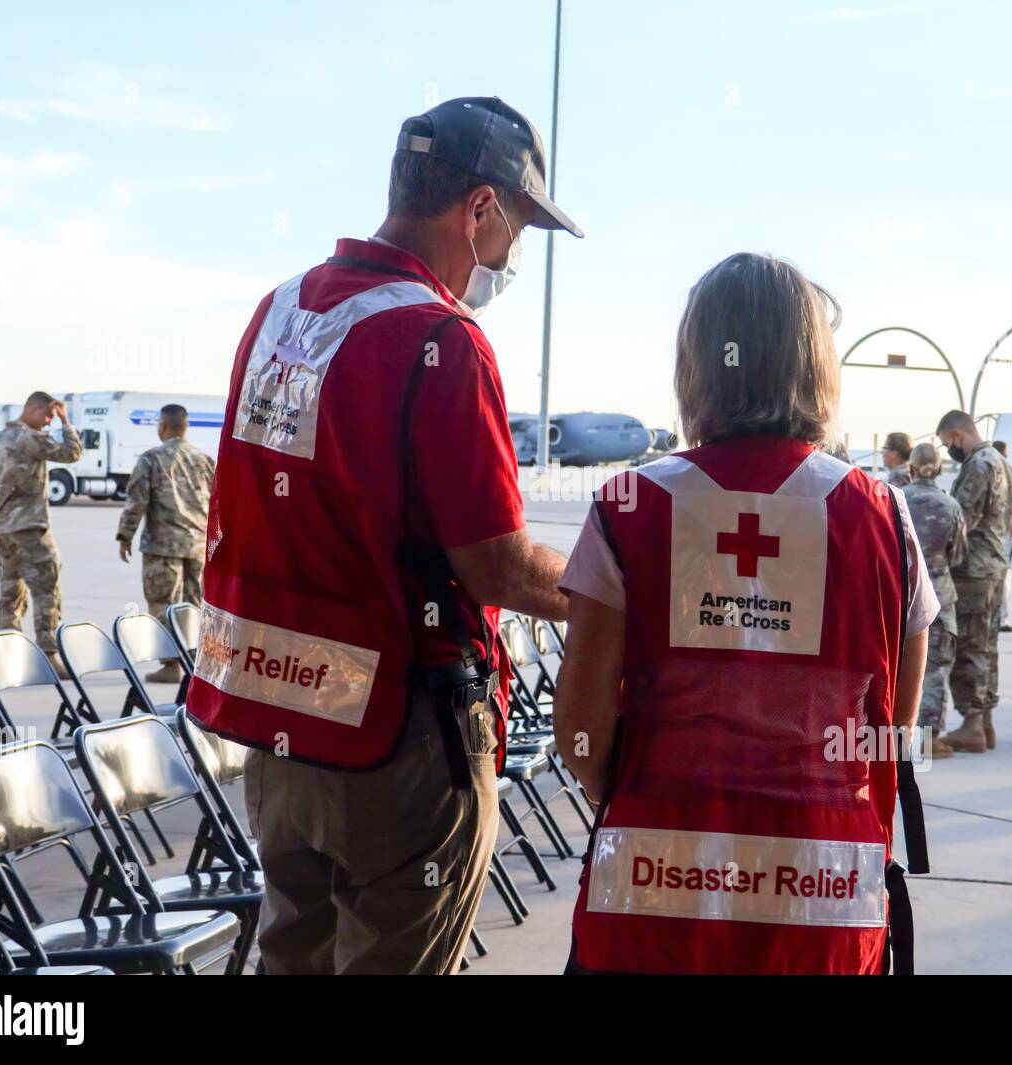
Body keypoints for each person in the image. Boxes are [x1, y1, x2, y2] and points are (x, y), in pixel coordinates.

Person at [185, 97, 579, 975]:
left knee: (293, 957)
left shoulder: (279, 312)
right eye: (517, 228)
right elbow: (498, 566)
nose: (514, 256)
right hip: (396, 737)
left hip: (282, 728)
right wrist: (607, 586)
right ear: (478, 209)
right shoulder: (440, 338)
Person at [554, 253, 936, 975]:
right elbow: (888, 731)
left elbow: (581, 734)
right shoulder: (885, 518)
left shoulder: (627, 508)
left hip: (653, 891)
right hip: (821, 901)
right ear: (816, 364)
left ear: (697, 362)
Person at [115, 404, 216, 684]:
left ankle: (171, 663)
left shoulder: (151, 459)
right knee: (195, 604)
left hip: (163, 546)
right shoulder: (205, 460)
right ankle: (197, 663)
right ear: (185, 427)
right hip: (197, 546)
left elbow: (136, 502)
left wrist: (125, 536)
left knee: (163, 604)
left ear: (162, 426)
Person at [935, 410, 1012, 752]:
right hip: (995, 569)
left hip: (973, 571)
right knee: (986, 646)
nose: (947, 451)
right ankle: (985, 723)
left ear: (957, 435)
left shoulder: (978, 465)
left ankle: (971, 723)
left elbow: (962, 522)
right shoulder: (1001, 461)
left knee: (968, 647)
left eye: (946, 444)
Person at [0, 392, 82, 677]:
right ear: (34, 409)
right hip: (28, 526)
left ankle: (7, 657)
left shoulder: (0, 439)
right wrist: (66, 421)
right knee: (46, 588)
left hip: (2, 527)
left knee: (11, 591)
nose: (48, 422)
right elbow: (72, 453)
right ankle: (49, 656)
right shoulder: (29, 437)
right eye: (48, 416)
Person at [903, 442, 967, 758]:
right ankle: (929, 738)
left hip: (898, 593)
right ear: (939, 469)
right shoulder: (950, 506)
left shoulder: (895, 500)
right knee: (936, 668)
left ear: (910, 468)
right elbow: (958, 554)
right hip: (939, 596)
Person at [992, 440, 1012, 633]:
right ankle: (1001, 619)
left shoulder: (982, 472)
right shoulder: (1007, 475)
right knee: (1004, 580)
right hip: (1003, 536)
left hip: (987, 537)